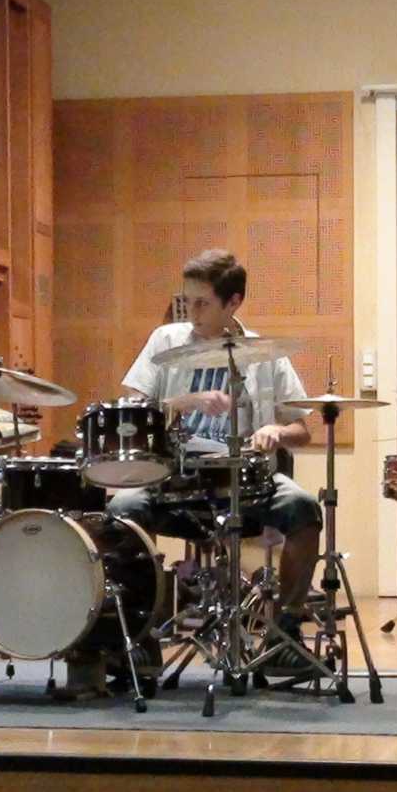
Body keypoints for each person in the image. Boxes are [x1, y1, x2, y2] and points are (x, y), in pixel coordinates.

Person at [108, 249, 323, 673]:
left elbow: (303, 430)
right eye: (187, 301)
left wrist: (276, 431)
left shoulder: (267, 353)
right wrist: (186, 401)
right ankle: (138, 639)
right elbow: (133, 411)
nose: (192, 313)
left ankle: (283, 635)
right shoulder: (166, 340)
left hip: (246, 481)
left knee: (304, 509)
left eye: (203, 303)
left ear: (233, 302)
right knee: (122, 509)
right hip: (176, 478)